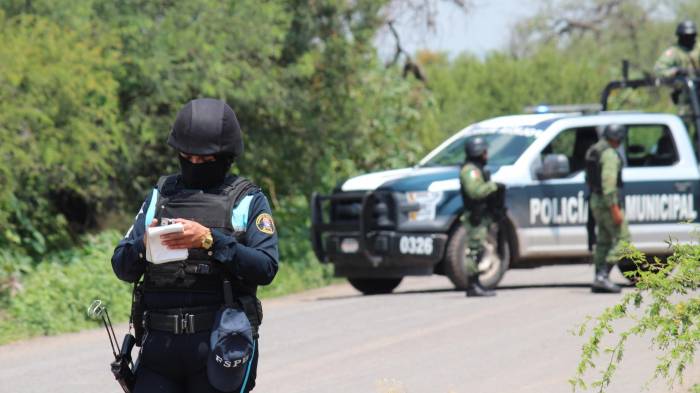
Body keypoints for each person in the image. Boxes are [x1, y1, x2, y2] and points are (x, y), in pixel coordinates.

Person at [111, 98, 279, 392]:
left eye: (205, 160)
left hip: (219, 344)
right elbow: (121, 265)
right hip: (158, 351)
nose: (194, 165)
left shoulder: (247, 200)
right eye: (186, 157)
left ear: (226, 157)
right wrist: (144, 244)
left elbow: (265, 268)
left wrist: (210, 240)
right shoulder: (160, 197)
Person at [584, 124, 629, 294]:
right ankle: (603, 276)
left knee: (603, 240)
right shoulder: (609, 154)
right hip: (607, 203)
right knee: (623, 239)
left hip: (596, 201)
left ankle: (599, 277)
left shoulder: (595, 151)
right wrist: (614, 208)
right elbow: (609, 183)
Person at [459, 137, 503, 297]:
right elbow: (475, 191)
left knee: (479, 249)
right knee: (474, 250)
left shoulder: (477, 168)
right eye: (484, 151)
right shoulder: (470, 170)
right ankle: (473, 284)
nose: (487, 154)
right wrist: (493, 186)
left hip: (481, 214)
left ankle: (476, 284)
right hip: (474, 216)